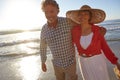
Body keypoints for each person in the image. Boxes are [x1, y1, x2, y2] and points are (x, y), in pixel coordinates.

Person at [40, 0, 106, 80]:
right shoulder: (44, 29)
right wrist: (43, 61)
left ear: (58, 11)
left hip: (70, 63)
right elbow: (42, 46)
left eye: (52, 11)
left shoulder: (67, 22)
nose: (49, 15)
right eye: (46, 12)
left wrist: (98, 30)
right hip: (56, 64)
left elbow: (83, 25)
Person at [66, 5, 120, 80]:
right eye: (80, 14)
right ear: (78, 17)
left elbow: (105, 48)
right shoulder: (74, 31)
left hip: (97, 61)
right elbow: (67, 43)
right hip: (83, 62)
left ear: (90, 17)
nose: (83, 16)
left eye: (86, 14)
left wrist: (116, 62)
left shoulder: (97, 30)